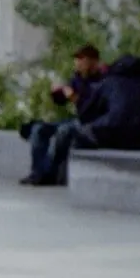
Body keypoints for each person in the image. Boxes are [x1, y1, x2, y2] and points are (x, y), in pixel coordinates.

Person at [23, 53, 140, 186]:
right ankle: (45, 173)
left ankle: (51, 174)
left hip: (110, 134)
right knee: (50, 129)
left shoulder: (108, 83)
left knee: (71, 134)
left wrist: (74, 99)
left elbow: (87, 113)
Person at [20, 45, 109, 184]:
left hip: (92, 123)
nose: (78, 63)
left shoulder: (103, 81)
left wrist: (73, 97)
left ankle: (48, 173)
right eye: (76, 59)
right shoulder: (77, 78)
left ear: (93, 61)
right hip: (77, 120)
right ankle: (36, 172)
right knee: (39, 129)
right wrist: (56, 93)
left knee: (64, 131)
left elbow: (91, 109)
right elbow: (62, 100)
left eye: (82, 59)